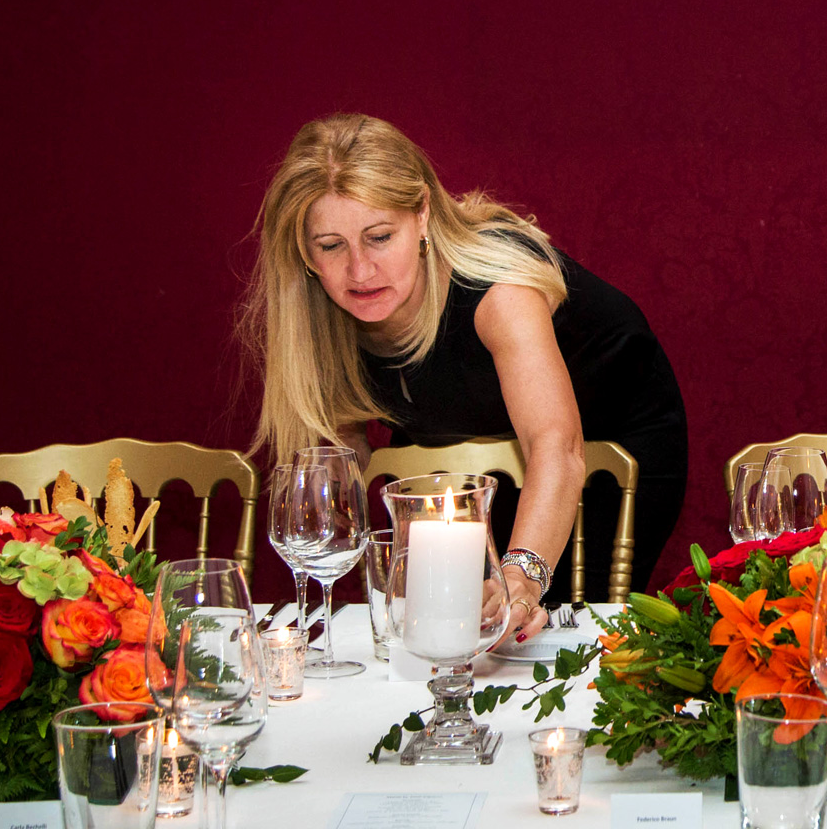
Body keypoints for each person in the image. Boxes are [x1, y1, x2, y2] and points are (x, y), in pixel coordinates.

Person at [240, 113, 688, 645]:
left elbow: (556, 445)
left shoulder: (498, 291)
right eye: (331, 245)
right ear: (304, 250)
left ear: (423, 213)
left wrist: (523, 575)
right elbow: (345, 452)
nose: (359, 271)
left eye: (379, 237)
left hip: (606, 445)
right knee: (448, 631)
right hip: (464, 444)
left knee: (545, 631)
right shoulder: (319, 311)